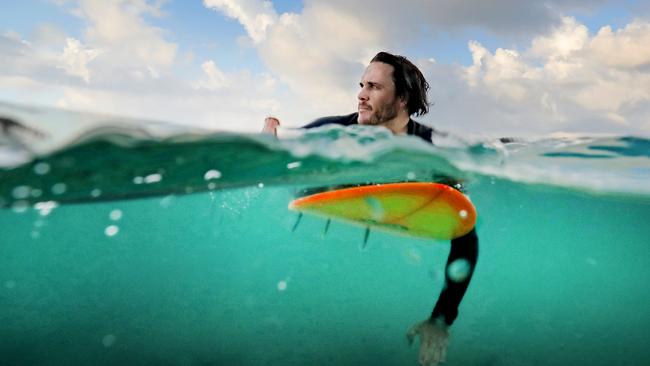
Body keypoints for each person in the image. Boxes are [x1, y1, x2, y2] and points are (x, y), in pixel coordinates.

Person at [262, 51, 479, 366]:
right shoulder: (330, 132)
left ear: (403, 99)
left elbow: (465, 235)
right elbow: (280, 159)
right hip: (327, 194)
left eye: (374, 87)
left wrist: (441, 320)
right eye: (362, 85)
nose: (361, 95)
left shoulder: (430, 153)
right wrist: (272, 144)